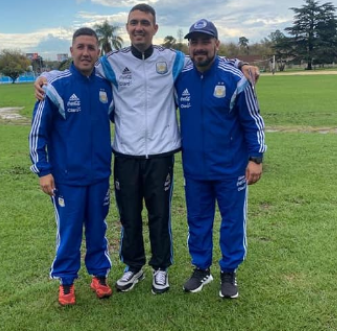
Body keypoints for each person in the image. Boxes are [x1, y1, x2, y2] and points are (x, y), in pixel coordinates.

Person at [34, 3, 260, 295]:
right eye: (133, 23)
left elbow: (205, 56)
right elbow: (80, 66)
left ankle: (161, 268)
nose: (139, 27)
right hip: (126, 154)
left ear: (155, 28)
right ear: (127, 28)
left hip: (161, 153)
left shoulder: (174, 59)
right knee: (128, 215)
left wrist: (241, 63)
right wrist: (48, 76)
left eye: (145, 23)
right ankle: (133, 266)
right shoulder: (111, 62)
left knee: (159, 214)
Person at [176, 19, 266, 299]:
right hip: (195, 169)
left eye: (205, 41)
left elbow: (253, 120)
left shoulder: (236, 77)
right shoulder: (180, 75)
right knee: (198, 220)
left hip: (230, 168)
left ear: (216, 44)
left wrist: (256, 158)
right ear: (189, 46)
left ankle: (229, 271)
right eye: (194, 42)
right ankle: (201, 268)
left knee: (231, 221)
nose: (199, 47)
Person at [29, 27, 114, 306]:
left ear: (98, 53)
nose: (86, 53)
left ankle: (99, 276)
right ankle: (66, 281)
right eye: (81, 47)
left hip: (99, 174)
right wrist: (43, 170)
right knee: (70, 230)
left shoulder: (105, 86)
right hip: (67, 178)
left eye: (91, 48)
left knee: (97, 228)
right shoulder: (55, 87)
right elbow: (37, 133)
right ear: (72, 51)